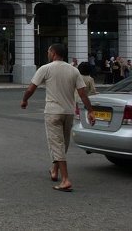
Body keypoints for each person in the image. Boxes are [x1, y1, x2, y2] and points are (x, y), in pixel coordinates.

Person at [21, 43, 95, 192]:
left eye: (49, 51)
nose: (48, 53)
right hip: (68, 112)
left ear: (53, 53)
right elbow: (82, 93)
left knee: (56, 144)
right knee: (63, 143)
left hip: (53, 112)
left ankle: (66, 179)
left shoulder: (45, 68)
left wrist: (24, 100)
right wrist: (91, 111)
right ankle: (54, 170)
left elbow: (31, 88)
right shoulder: (74, 70)